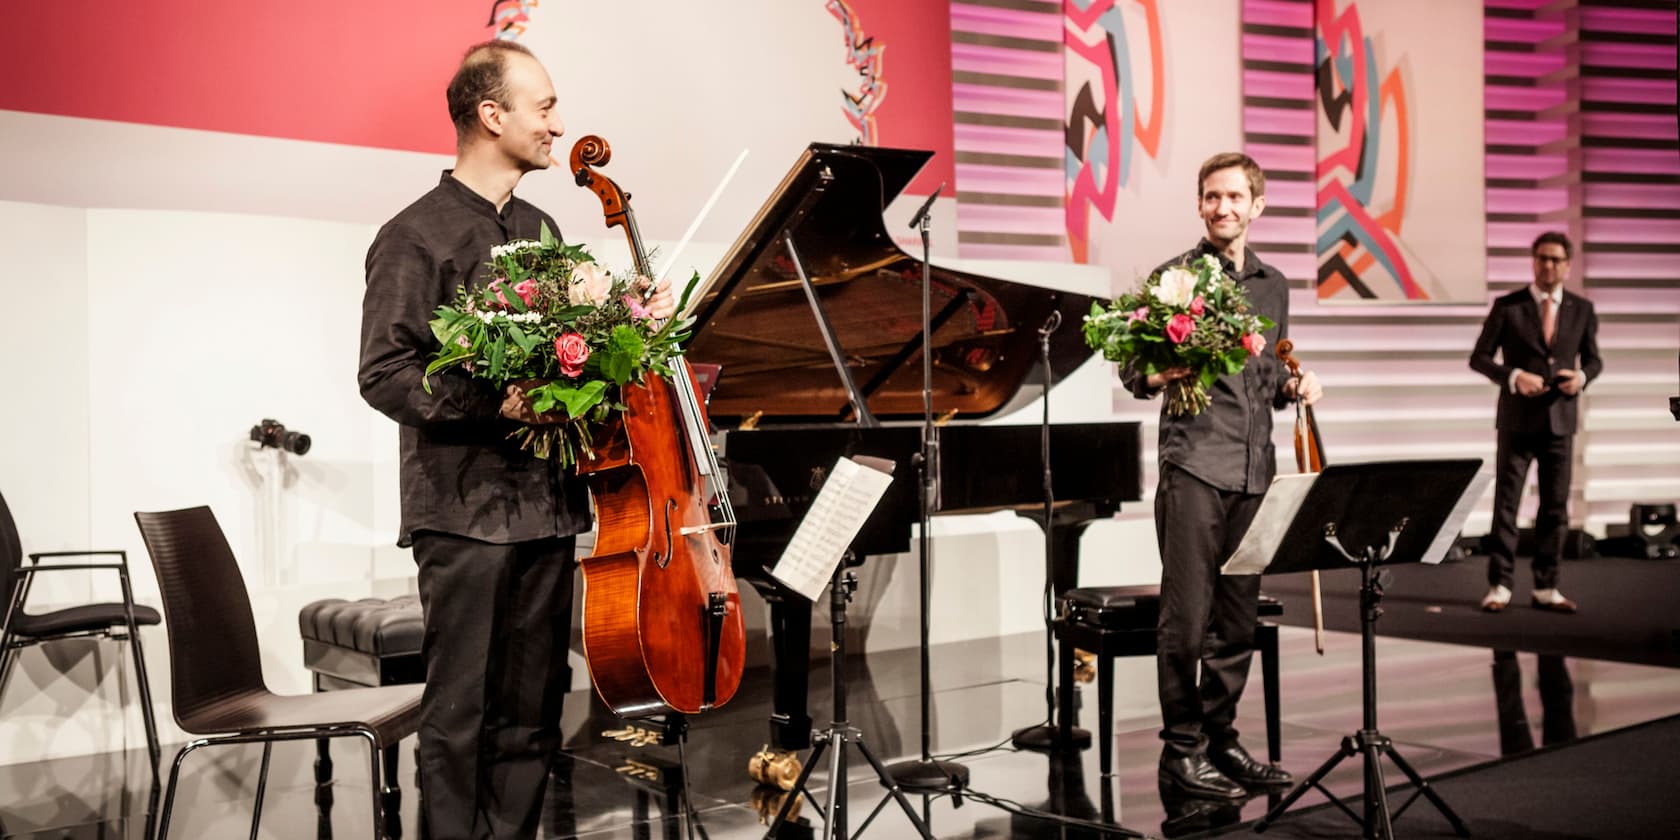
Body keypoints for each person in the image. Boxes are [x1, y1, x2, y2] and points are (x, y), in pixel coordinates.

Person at [357, 40, 673, 838]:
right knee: (460, 717)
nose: (558, 125)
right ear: (491, 115)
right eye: (545, 108)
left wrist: (629, 328)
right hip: (463, 515)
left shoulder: (540, 226)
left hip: (545, 507)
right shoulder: (414, 235)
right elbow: (385, 372)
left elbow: (579, 365)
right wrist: (502, 403)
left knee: (534, 715)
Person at [1120, 152, 1321, 801]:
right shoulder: (1174, 277)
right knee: (1187, 618)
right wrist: (1159, 373)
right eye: (1212, 197)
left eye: (1235, 197)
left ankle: (1222, 738)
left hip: (1254, 468)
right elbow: (1132, 373)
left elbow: (1268, 378)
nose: (1222, 207)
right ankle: (1182, 751)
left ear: (1257, 206)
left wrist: (1297, 383)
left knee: (1237, 622)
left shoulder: (1274, 285)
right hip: (1195, 466)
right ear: (1201, 205)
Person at [1470, 231, 1600, 614]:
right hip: (1517, 420)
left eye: (1556, 259)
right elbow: (1479, 357)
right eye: (1542, 258)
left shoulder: (1582, 308)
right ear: (1533, 261)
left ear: (1568, 265)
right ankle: (1500, 583)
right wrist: (1513, 376)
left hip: (1561, 420)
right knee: (1506, 505)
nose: (1548, 265)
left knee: (1555, 508)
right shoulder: (1509, 305)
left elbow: (1594, 360)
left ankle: (1547, 585)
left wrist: (1582, 378)